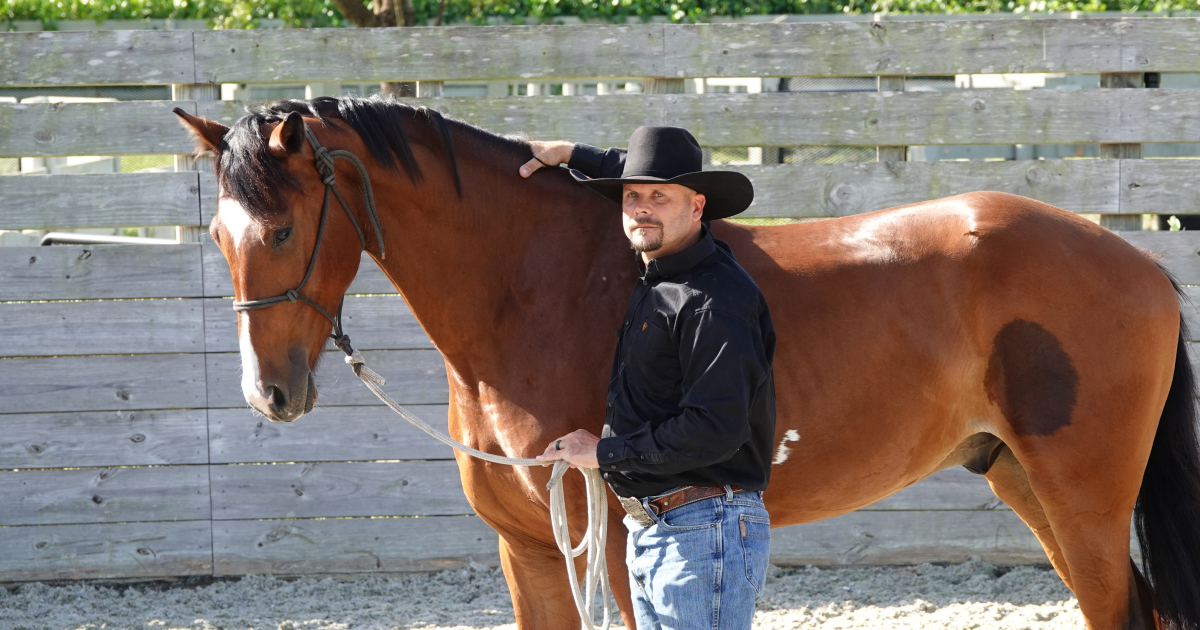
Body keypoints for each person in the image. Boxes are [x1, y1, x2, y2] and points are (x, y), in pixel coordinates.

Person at [527, 126, 777, 630]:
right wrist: (576, 154)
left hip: (704, 531)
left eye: (659, 196)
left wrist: (601, 453)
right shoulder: (665, 275)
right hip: (661, 528)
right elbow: (645, 183)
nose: (642, 207)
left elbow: (715, 428)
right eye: (631, 196)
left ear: (697, 206)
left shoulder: (712, 299)